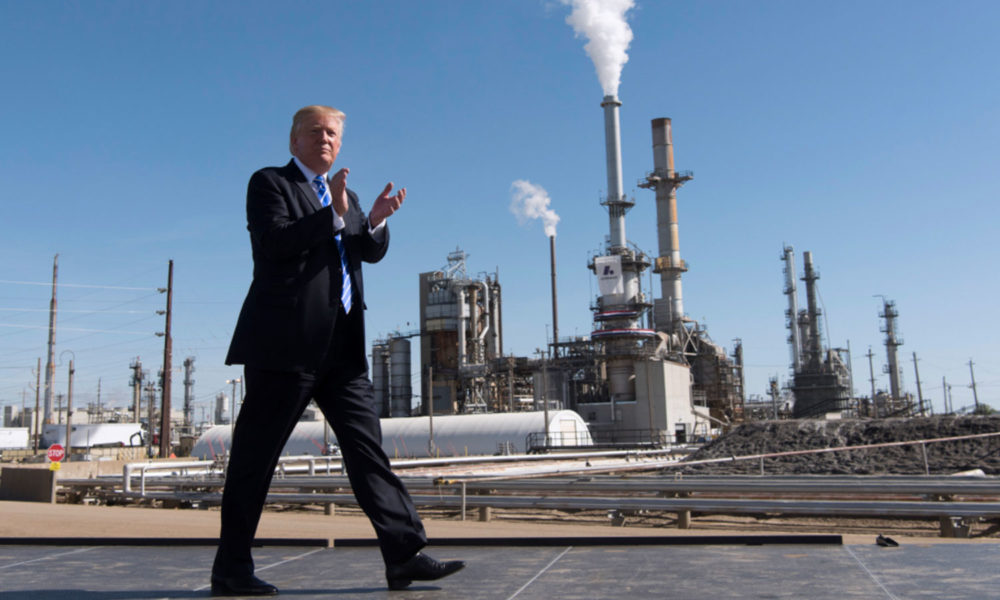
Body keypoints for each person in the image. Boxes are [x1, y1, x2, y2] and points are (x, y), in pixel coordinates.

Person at [211, 105, 464, 596]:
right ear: (293, 141)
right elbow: (275, 243)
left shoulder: (344, 197)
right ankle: (231, 568)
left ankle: (403, 555)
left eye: (332, 133)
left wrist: (371, 222)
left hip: (342, 352)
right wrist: (335, 215)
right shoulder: (270, 184)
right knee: (254, 460)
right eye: (315, 131)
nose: (324, 139)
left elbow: (366, 251)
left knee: (369, 453)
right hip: (285, 347)